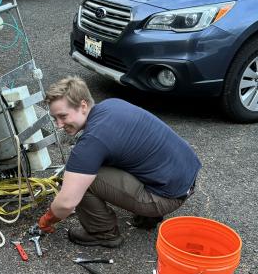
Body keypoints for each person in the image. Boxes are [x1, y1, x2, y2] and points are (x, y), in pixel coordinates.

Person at [37, 76, 201, 247]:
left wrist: (46, 220)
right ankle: (148, 216)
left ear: (83, 106)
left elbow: (67, 202)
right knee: (110, 158)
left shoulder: (92, 141)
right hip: (186, 177)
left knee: (82, 181)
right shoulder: (111, 105)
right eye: (55, 118)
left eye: (63, 116)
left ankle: (103, 233)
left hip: (168, 196)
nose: (58, 124)